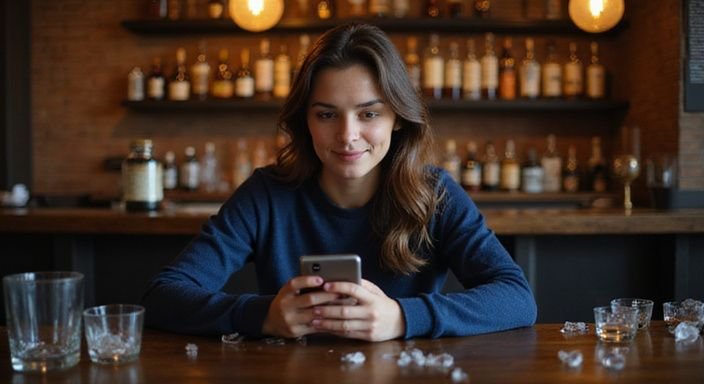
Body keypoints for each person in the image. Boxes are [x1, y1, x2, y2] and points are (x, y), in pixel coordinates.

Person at [142, 23, 537, 342]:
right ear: (306, 121)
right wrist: (262, 315)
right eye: (327, 115)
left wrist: (402, 317)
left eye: (368, 114)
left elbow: (517, 299)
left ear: (397, 117)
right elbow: (164, 296)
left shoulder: (436, 194)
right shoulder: (266, 194)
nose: (347, 135)